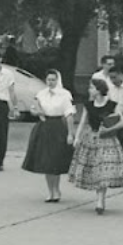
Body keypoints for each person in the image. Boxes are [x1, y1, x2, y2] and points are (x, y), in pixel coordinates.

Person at [68, 78, 123, 214]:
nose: (89, 90)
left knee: (103, 170)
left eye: (91, 88)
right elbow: (83, 122)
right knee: (95, 170)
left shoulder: (112, 105)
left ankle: (100, 200)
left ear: (99, 90)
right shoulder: (88, 105)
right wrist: (77, 137)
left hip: (107, 139)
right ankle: (99, 199)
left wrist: (108, 130)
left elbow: (122, 122)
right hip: (92, 138)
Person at [22, 70, 76, 202]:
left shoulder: (64, 95)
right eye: (48, 80)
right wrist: (37, 112)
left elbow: (69, 114)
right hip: (44, 127)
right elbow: (34, 108)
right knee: (46, 160)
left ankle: (57, 189)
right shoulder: (41, 94)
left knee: (55, 160)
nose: (51, 82)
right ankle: (50, 190)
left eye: (53, 80)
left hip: (58, 127)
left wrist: (70, 133)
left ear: (58, 80)